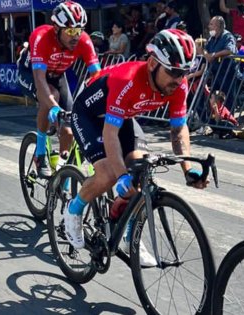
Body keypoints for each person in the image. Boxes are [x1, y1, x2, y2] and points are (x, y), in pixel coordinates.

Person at [65, 29, 207, 267]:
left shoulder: (178, 86)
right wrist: (120, 176)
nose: (179, 79)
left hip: (123, 117)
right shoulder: (127, 80)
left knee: (141, 170)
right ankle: (73, 210)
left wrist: (188, 169)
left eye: (184, 73)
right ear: (152, 63)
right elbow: (110, 133)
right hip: (89, 115)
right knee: (109, 175)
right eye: (173, 71)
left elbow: (178, 130)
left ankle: (131, 236)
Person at [17, 1, 100, 178]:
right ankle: (40, 154)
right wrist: (54, 106)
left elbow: (98, 77)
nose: (75, 36)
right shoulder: (41, 37)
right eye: (70, 31)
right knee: (51, 96)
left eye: (79, 30)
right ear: (56, 28)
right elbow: (40, 80)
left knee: (69, 128)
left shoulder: (84, 41)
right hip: (30, 74)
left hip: (57, 75)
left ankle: (63, 169)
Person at [205, 16, 237, 109]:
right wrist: (206, 54)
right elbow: (206, 49)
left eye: (211, 24)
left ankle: (228, 121)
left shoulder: (227, 36)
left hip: (227, 72)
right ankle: (215, 118)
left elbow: (230, 50)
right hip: (216, 72)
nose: (209, 26)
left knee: (228, 97)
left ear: (219, 26)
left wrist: (214, 55)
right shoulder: (212, 38)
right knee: (214, 96)